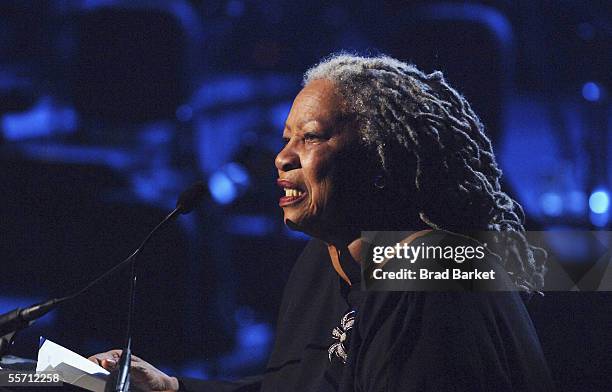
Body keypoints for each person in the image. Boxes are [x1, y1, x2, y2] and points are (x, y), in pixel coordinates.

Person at [89, 54, 553, 391]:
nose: (282, 158)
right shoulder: (322, 260)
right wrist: (172, 388)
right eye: (286, 138)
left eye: (310, 138)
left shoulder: (431, 276)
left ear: (379, 161)